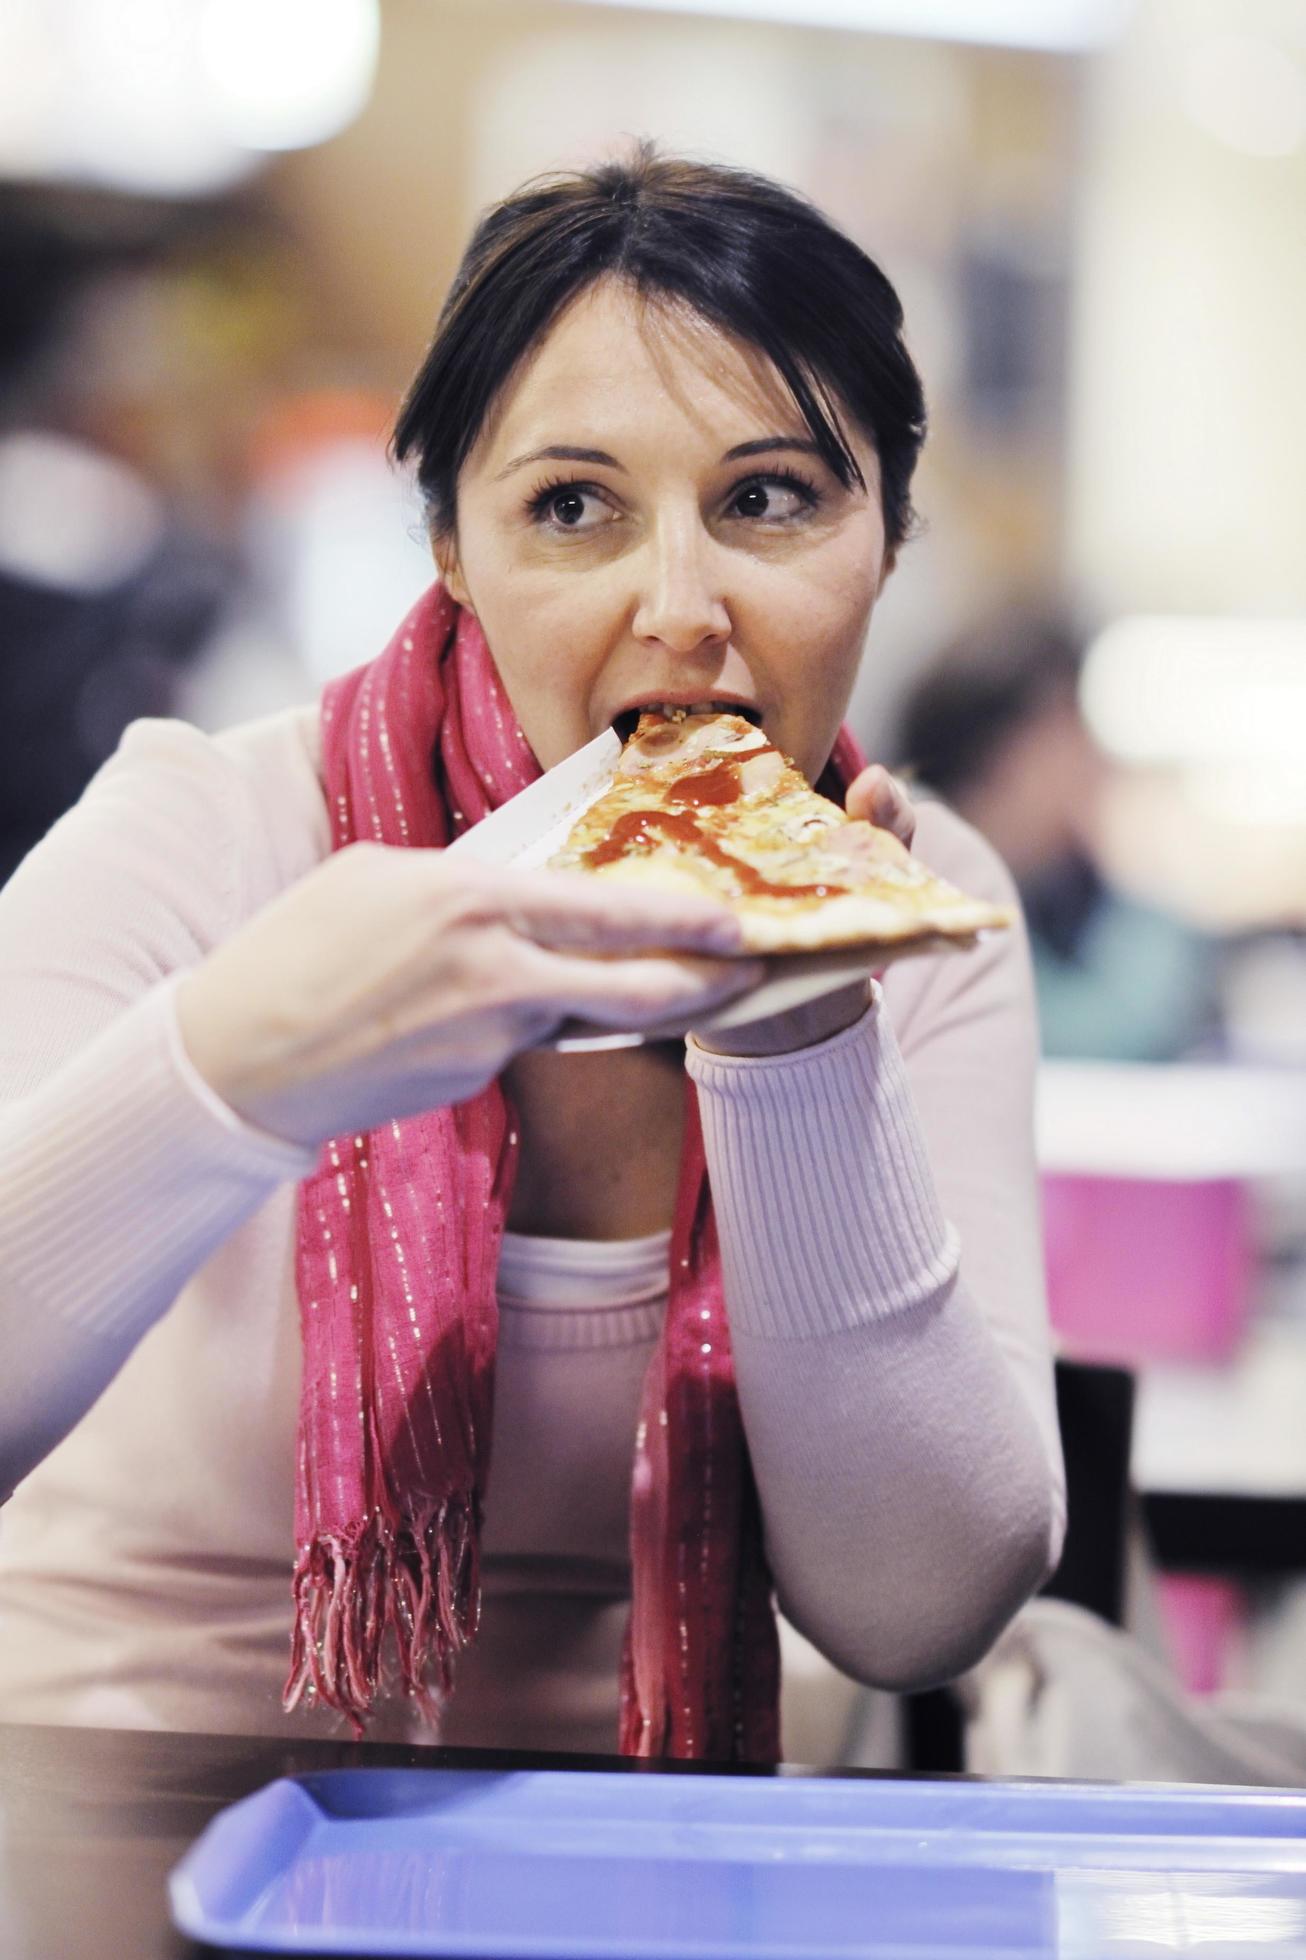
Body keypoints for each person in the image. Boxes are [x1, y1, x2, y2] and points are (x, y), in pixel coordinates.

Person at [0, 148, 1064, 1761]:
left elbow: (918, 1609)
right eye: (573, 508)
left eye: (767, 497)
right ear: (451, 547)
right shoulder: (205, 837)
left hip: (667, 1844)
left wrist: (798, 1041)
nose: (681, 607)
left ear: (889, 536)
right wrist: (241, 1067)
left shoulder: (920, 903)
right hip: (107, 1802)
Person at [898, 609, 1218, 1062]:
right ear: (1004, 754)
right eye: (1075, 726)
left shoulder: (1045, 889)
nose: (1098, 762)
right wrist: (1137, 854)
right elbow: (1117, 1032)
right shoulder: (921, 877)